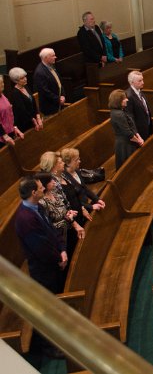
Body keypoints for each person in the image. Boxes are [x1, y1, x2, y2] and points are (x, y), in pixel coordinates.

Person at [14, 177, 68, 358]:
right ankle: (48, 346)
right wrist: (58, 258)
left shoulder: (37, 207)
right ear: (32, 193)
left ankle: (58, 336)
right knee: (47, 306)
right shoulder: (24, 218)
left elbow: (51, 230)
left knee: (54, 300)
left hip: (52, 261)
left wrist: (62, 248)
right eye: (40, 187)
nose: (43, 188)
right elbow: (40, 247)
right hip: (42, 268)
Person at [40, 151, 85, 258]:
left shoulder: (57, 178)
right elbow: (53, 217)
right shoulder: (50, 184)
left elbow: (64, 201)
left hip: (69, 220)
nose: (63, 164)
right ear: (53, 166)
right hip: (62, 232)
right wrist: (72, 221)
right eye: (60, 162)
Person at [60, 148, 106, 227]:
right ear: (68, 163)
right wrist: (91, 206)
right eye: (76, 160)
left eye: (79, 159)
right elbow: (73, 201)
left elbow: (85, 189)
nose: (79, 161)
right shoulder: (64, 178)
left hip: (86, 205)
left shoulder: (77, 171)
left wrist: (97, 199)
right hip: (80, 212)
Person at [109, 89, 143, 169]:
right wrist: (139, 141)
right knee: (128, 168)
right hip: (125, 145)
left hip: (129, 142)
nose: (127, 99)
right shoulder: (118, 114)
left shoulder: (121, 110)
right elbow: (127, 133)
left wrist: (138, 136)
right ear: (118, 101)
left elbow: (131, 125)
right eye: (124, 98)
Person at [8, 67, 43, 133]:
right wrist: (34, 121)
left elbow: (34, 103)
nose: (25, 79)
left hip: (33, 119)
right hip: (25, 124)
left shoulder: (25, 87)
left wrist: (38, 117)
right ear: (16, 80)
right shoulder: (15, 93)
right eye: (22, 78)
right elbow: (22, 111)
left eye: (25, 77)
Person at [33, 48, 65, 117]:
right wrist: (58, 99)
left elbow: (59, 82)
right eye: (53, 56)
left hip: (58, 103)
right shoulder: (40, 72)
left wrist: (62, 95)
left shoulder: (51, 66)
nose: (55, 57)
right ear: (46, 58)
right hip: (50, 108)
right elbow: (45, 91)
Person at [124, 71, 153, 141]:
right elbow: (130, 117)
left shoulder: (140, 91)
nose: (143, 82)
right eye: (139, 81)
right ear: (132, 82)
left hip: (147, 128)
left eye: (142, 80)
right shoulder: (129, 96)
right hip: (139, 132)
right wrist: (136, 134)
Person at [0, 76, 23, 145]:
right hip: (2, 136)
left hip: (10, 132)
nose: (2, 84)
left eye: (2, 82)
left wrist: (14, 127)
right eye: (0, 83)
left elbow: (10, 114)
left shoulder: (2, 95)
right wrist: (5, 135)